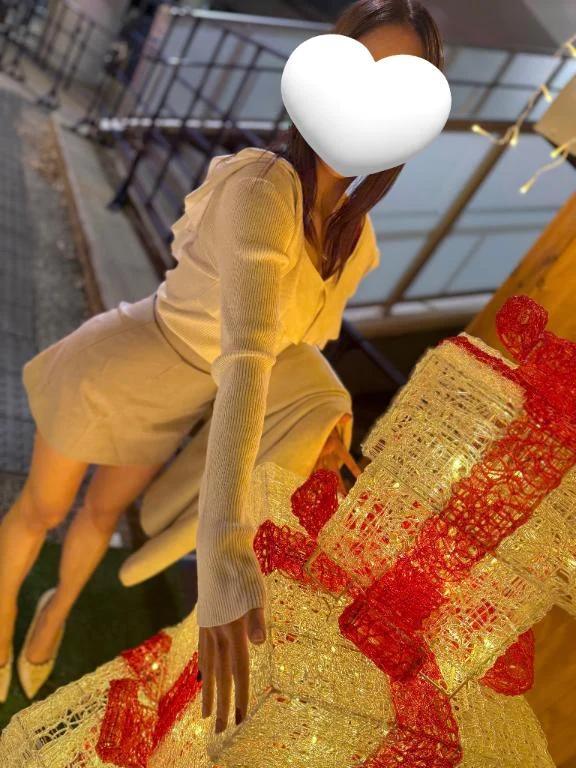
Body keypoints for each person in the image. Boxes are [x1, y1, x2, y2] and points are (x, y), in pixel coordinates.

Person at [0, 0, 443, 738]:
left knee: (102, 517)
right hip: (116, 368)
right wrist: (224, 548)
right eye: (361, 71)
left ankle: (54, 614)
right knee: (42, 511)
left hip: (179, 402)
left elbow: (293, 354)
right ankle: (3, 611)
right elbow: (245, 357)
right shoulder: (264, 183)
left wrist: (327, 423)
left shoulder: (355, 241)